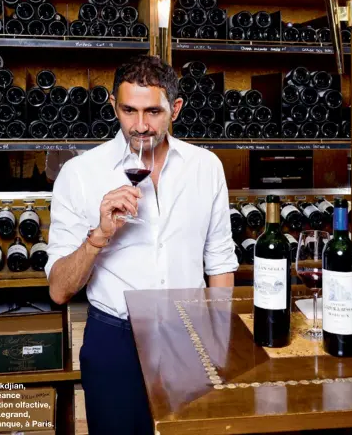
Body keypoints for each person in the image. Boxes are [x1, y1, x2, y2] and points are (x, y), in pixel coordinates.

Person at [45, 55, 238, 435]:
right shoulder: (80, 174)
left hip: (190, 334)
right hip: (116, 339)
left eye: (153, 111)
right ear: (114, 106)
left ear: (175, 109)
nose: (140, 126)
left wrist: (220, 340)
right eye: (129, 110)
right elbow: (58, 290)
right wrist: (99, 235)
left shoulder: (206, 166)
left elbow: (219, 262)